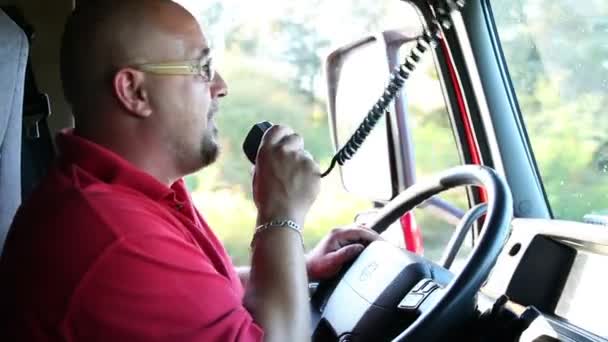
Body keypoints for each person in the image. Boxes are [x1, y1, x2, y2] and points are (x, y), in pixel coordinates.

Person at [0, 0, 379, 341]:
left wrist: (298, 266)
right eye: (203, 67)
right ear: (134, 91)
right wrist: (281, 216)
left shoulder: (123, 197)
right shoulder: (112, 237)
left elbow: (191, 295)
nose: (221, 86)